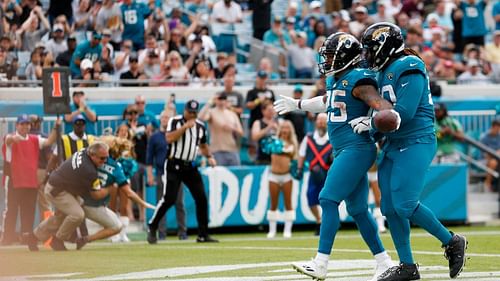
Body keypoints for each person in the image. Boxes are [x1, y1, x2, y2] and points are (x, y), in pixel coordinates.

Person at [274, 32, 395, 281]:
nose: (326, 60)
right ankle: (384, 262)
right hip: (344, 149)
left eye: (330, 55)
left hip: (356, 148)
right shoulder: (338, 80)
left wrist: (371, 121)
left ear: (345, 57)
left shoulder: (360, 81)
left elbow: (385, 110)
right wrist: (299, 104)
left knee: (328, 200)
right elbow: (329, 101)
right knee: (358, 209)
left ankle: (321, 263)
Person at [352, 22, 467, 280]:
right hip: (394, 143)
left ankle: (451, 240)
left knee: (405, 204)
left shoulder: (410, 66)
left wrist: (370, 123)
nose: (368, 55)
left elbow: (403, 113)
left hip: (416, 140)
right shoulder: (383, 71)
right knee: (390, 208)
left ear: (385, 47)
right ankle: (407, 266)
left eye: (371, 49)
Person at [147, 100, 218, 244]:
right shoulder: (175, 121)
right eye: (189, 112)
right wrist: (185, 127)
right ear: (185, 110)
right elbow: (169, 138)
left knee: (201, 198)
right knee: (169, 199)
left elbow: (203, 145)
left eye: (194, 112)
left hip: (190, 166)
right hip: (174, 164)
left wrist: (209, 156)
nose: (192, 115)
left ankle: (203, 234)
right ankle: (153, 225)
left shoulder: (200, 126)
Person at [26, 142, 111, 251]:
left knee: (59, 217)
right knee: (78, 215)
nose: (105, 161)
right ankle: (57, 239)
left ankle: (33, 237)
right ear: (92, 155)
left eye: (106, 158)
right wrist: (110, 189)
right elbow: (95, 195)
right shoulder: (89, 170)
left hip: (61, 186)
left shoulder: (85, 151)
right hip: (57, 190)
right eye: (102, 158)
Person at [79, 136, 155, 248]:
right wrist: (143, 203)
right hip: (93, 204)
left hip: (81, 199)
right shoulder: (115, 166)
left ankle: (64, 237)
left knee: (71, 215)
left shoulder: (89, 157)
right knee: (116, 226)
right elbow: (129, 192)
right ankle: (85, 239)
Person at [0, 115, 59, 247]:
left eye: (27, 124)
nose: (25, 126)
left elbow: (49, 141)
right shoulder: (10, 137)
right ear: (17, 125)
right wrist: (13, 138)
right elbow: (8, 140)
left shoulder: (34, 139)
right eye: (22, 124)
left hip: (30, 181)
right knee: (11, 210)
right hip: (14, 180)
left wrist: (56, 127)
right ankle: (7, 238)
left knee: (29, 211)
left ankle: (26, 237)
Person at [146, 110, 188, 240]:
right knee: (161, 203)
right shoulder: (155, 137)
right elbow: (149, 158)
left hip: (177, 172)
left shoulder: (178, 134)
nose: (164, 119)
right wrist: (150, 175)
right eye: (163, 117)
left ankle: (182, 232)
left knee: (179, 203)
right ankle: (161, 232)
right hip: (161, 173)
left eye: (167, 117)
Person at [297, 113, 332, 235]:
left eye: (324, 121)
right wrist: (299, 169)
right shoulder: (309, 138)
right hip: (313, 174)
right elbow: (301, 154)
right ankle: (319, 220)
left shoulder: (332, 138)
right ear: (315, 122)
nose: (321, 123)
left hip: (329, 174)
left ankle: (328, 223)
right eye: (319, 120)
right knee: (311, 199)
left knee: (329, 200)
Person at [265, 120, 298, 239]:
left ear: (290, 130)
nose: (284, 130)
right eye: (283, 128)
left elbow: (295, 158)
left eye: (287, 128)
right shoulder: (273, 141)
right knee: (273, 203)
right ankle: (272, 230)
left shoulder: (292, 144)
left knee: (288, 203)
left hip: (286, 176)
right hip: (274, 175)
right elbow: (267, 149)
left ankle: (287, 230)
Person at [199, 93, 244, 166]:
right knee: (219, 174)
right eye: (219, 99)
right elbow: (200, 118)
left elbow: (241, 132)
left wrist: (232, 128)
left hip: (231, 149)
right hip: (217, 150)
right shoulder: (211, 112)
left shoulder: (232, 114)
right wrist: (209, 103)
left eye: (223, 99)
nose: (221, 101)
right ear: (216, 100)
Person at [480, 119, 500, 192]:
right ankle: (487, 183)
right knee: (493, 162)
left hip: (498, 158)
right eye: (496, 128)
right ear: (492, 127)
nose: (498, 130)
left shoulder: (499, 136)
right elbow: (484, 153)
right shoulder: (485, 137)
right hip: (486, 159)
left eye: (499, 129)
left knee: (495, 161)